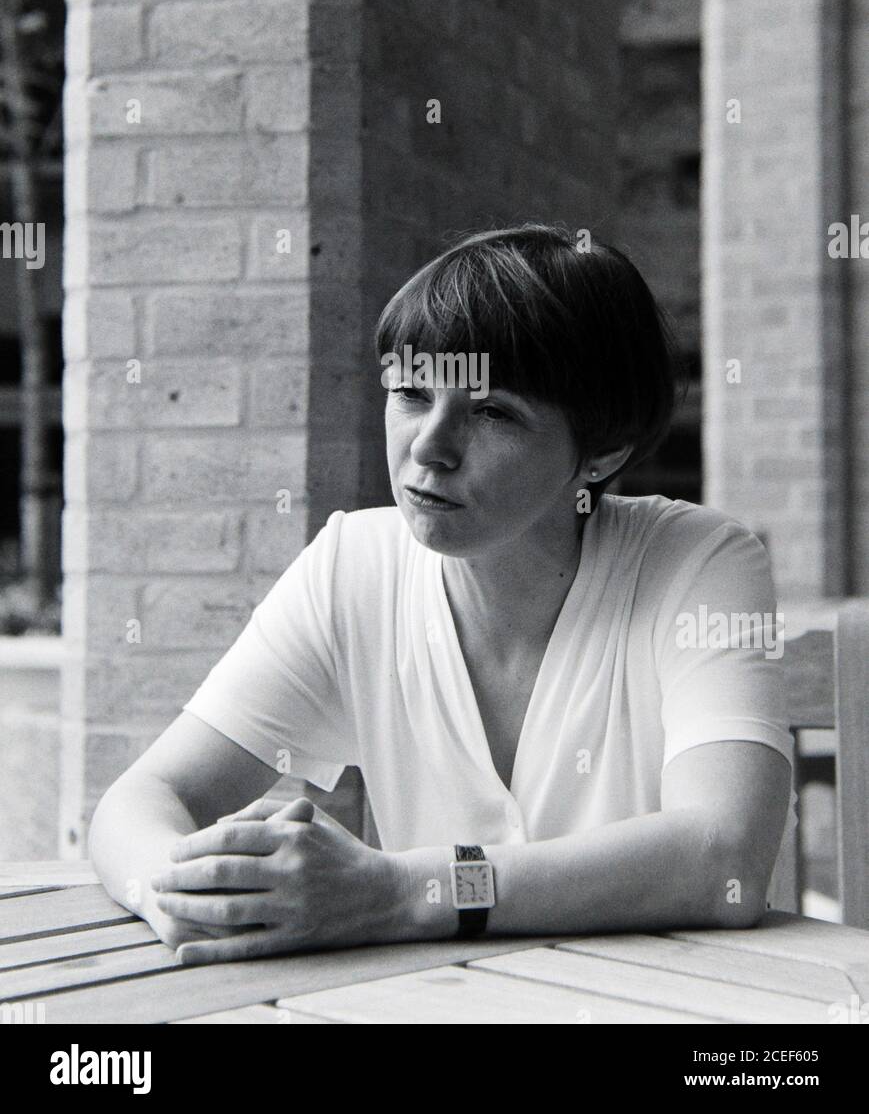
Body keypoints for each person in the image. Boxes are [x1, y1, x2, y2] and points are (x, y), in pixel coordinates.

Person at [88, 224, 795, 966]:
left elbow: (724, 856)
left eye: (491, 413)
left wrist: (403, 891)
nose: (429, 445)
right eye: (411, 393)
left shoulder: (701, 561)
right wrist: (182, 891)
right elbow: (142, 800)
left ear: (603, 451)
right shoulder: (353, 566)